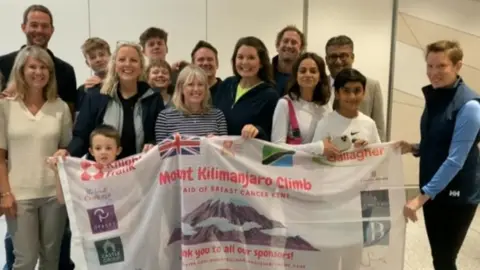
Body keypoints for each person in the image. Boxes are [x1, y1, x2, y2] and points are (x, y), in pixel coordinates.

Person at [397, 40, 480, 270]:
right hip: (435, 191)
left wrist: (420, 197)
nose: (433, 73)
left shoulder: (470, 106)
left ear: (457, 66)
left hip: (457, 195)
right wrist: (414, 147)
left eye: (441, 66)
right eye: (430, 66)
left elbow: (456, 159)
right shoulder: (437, 96)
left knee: (445, 259)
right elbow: (438, 142)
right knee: (439, 258)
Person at [0, 46, 72, 270]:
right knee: (25, 260)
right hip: (19, 195)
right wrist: (5, 194)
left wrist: (65, 152)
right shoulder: (5, 107)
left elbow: (67, 148)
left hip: (54, 195)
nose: (38, 72)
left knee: (51, 259)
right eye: (32, 66)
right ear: (21, 70)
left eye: (44, 67)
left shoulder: (59, 107)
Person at [311, 68, 380, 269]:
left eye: (357, 90)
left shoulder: (369, 124)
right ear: (337, 93)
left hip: (358, 203)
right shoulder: (326, 122)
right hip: (331, 202)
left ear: (364, 92)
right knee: (329, 258)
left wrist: (367, 151)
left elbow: (378, 160)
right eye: (346, 91)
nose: (352, 96)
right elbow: (314, 160)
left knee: (353, 258)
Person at [54, 41, 165, 160]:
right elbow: (82, 136)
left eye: (133, 60)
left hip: (140, 173)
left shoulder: (153, 98)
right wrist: (68, 153)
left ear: (141, 67)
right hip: (103, 175)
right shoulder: (95, 96)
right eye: (122, 60)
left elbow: (160, 136)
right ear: (114, 66)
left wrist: (153, 144)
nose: (127, 64)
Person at [0, 4, 77, 117]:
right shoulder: (2, 64)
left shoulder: (66, 71)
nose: (39, 30)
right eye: (34, 25)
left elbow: (70, 116)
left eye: (45, 26)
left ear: (52, 30)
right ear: (23, 27)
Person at [271, 52, 337, 155]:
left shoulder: (326, 104)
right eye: (302, 71)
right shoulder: (284, 104)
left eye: (313, 71)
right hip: (294, 169)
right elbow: (276, 149)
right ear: (296, 75)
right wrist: (317, 148)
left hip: (322, 168)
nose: (308, 74)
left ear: (320, 76)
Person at [214, 36, 279, 141]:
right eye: (240, 57)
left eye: (251, 58)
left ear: (261, 63)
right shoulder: (226, 84)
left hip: (247, 155)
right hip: (219, 154)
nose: (245, 62)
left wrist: (257, 130)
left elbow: (272, 134)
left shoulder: (270, 96)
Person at [325, 35, 385, 141]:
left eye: (343, 56)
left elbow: (379, 129)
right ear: (326, 60)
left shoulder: (371, 86)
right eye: (333, 56)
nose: (338, 61)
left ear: (352, 57)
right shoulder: (317, 86)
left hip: (360, 153)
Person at [50, 124, 121, 204]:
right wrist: (58, 173)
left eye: (108, 148)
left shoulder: (125, 174)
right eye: (98, 148)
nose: (103, 152)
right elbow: (62, 199)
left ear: (118, 150)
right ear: (91, 151)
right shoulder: (84, 174)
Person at [155, 65, 227, 142]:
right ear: (181, 88)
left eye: (200, 84)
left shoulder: (218, 116)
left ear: (206, 88)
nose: (196, 89)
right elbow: (161, 152)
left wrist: (217, 143)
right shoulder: (164, 117)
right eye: (190, 84)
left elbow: (225, 151)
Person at [76, 37, 111, 115]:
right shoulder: (82, 91)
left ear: (110, 57)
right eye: (92, 57)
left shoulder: (122, 84)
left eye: (102, 55)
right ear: (87, 63)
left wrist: (103, 85)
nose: (98, 59)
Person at [272, 25, 305, 96]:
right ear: (277, 45)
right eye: (285, 41)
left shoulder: (305, 77)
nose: (289, 46)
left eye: (294, 42)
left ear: (301, 49)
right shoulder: (264, 74)